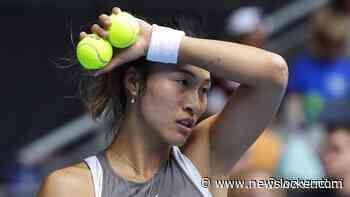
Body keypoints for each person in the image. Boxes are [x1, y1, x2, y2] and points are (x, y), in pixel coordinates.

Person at [37, 7, 288, 197]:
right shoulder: (70, 188)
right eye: (182, 82)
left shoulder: (204, 161)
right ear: (134, 82)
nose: (195, 104)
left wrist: (156, 41)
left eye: (203, 90)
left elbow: (274, 73)